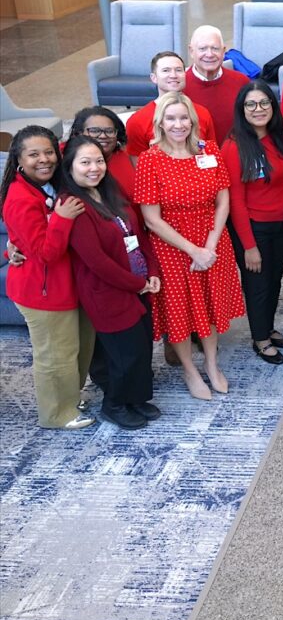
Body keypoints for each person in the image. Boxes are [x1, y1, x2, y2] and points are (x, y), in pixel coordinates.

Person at [134, 92, 245, 400]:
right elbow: (151, 219)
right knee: (180, 311)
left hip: (212, 239)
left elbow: (223, 199)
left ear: (193, 121)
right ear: (160, 123)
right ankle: (189, 368)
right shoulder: (150, 160)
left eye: (184, 118)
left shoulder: (208, 150)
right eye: (171, 118)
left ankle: (211, 363)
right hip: (173, 247)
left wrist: (209, 244)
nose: (178, 124)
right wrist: (193, 250)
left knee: (209, 305)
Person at [62, 136, 161, 429]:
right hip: (107, 292)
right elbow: (97, 262)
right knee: (124, 354)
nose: (95, 168)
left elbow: (138, 234)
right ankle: (115, 404)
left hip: (138, 283)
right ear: (70, 167)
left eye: (99, 161)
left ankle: (135, 398)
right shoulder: (74, 204)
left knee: (142, 346)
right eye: (85, 162)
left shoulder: (109, 190)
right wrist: (137, 284)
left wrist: (152, 271)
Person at [0, 126, 94, 430]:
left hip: (67, 284)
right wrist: (63, 220)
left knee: (75, 349)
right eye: (34, 154)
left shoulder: (52, 182)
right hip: (42, 291)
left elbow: (79, 140)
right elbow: (44, 252)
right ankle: (57, 414)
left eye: (49, 152)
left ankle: (70, 397)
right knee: (56, 356)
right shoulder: (20, 197)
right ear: (18, 160)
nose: (44, 159)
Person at [222, 80, 283, 367]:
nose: (258, 109)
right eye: (250, 104)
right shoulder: (234, 146)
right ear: (242, 110)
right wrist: (249, 246)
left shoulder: (280, 138)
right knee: (258, 284)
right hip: (254, 229)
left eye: (264, 103)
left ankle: (268, 326)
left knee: (274, 281)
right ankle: (260, 338)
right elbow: (235, 201)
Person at [126, 52, 217, 160]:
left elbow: (211, 155)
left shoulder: (202, 113)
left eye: (178, 70)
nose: (173, 75)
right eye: (166, 70)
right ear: (154, 78)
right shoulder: (137, 121)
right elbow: (139, 169)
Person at [183, 25, 250, 144]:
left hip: (235, 154)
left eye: (215, 48)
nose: (209, 54)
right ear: (191, 51)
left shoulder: (241, 82)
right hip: (192, 157)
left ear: (224, 51)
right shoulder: (180, 85)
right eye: (202, 49)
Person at [68, 106, 135, 204]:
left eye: (109, 131)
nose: (103, 136)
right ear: (79, 133)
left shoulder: (129, 158)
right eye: (94, 131)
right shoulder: (65, 157)